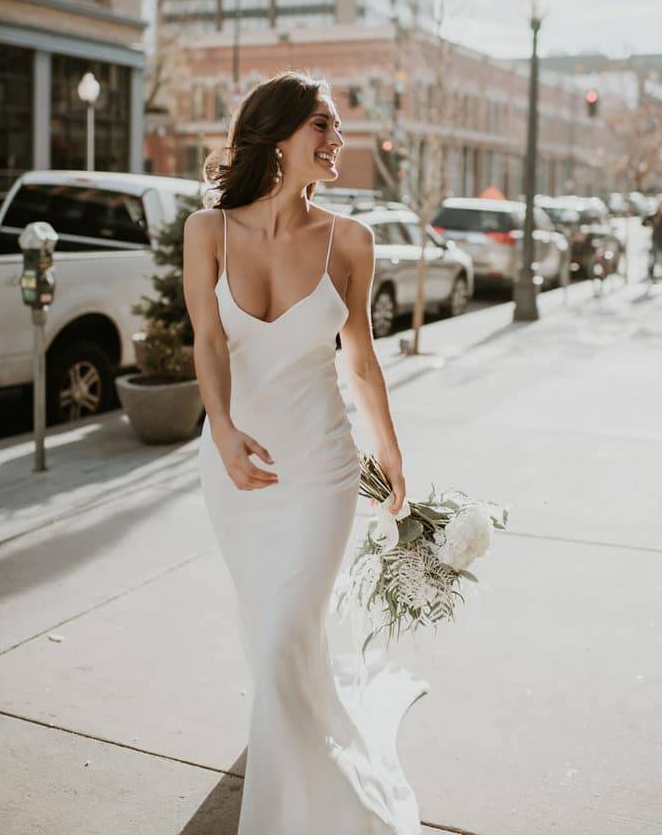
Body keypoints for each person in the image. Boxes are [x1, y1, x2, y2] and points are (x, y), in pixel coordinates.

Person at [183, 71, 426, 835]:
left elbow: (358, 358)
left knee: (288, 627)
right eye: (321, 124)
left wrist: (389, 452)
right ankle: (292, 737)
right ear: (278, 133)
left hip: (320, 467)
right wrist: (219, 425)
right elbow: (209, 339)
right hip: (238, 472)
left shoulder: (351, 240)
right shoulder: (207, 231)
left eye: (337, 127)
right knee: (270, 634)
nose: (336, 139)